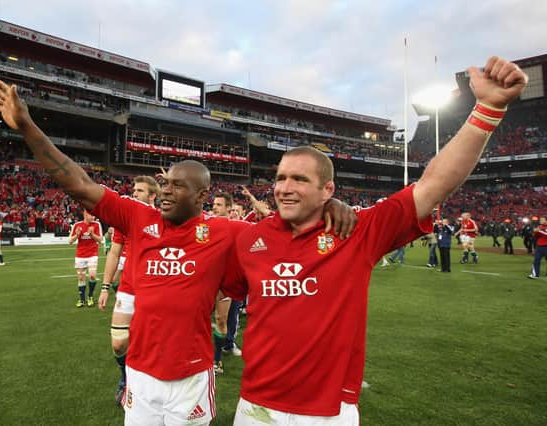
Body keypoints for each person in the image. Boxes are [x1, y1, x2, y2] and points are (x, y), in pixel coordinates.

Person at [0, 78, 356, 425]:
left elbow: (283, 230)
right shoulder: (138, 218)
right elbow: (79, 184)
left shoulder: (226, 232)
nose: (165, 191)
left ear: (202, 196)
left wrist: (329, 204)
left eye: (178, 186)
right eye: (164, 183)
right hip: (140, 372)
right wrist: (28, 126)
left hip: (191, 375)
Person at [223, 57, 527, 425]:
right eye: (281, 178)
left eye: (300, 180)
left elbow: (431, 186)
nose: (285, 188)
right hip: (255, 405)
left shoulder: (357, 231)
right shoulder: (249, 238)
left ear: (327, 190)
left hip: (327, 412)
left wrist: (488, 109)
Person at [98, 175, 160, 405]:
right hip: (129, 287)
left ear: (153, 196)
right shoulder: (125, 218)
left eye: (140, 191)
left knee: (152, 344)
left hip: (156, 290)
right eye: (134, 190)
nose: (134, 194)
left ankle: (146, 386)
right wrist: (105, 287)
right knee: (119, 342)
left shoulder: (164, 218)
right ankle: (125, 379)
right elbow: (114, 253)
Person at [212, 192, 244, 363]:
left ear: (228, 208)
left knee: (222, 319)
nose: (214, 208)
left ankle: (217, 359)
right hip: (206, 281)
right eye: (214, 204)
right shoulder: (204, 225)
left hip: (226, 282)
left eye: (219, 205)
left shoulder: (238, 227)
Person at [68, 209, 103, 307]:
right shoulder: (77, 225)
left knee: (92, 275)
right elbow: (70, 241)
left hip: (92, 254)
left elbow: (100, 240)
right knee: (81, 277)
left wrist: (92, 234)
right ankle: (82, 299)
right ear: (85, 214)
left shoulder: (96, 224)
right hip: (80, 255)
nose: (93, 217)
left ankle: (90, 296)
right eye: (91, 215)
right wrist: (77, 235)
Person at [528, 215, 547, 279]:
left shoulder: (540, 228)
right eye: (540, 220)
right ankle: (535, 274)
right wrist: (535, 232)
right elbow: (536, 236)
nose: (540, 221)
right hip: (539, 246)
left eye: (542, 220)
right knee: (536, 260)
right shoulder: (539, 226)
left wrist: (539, 231)